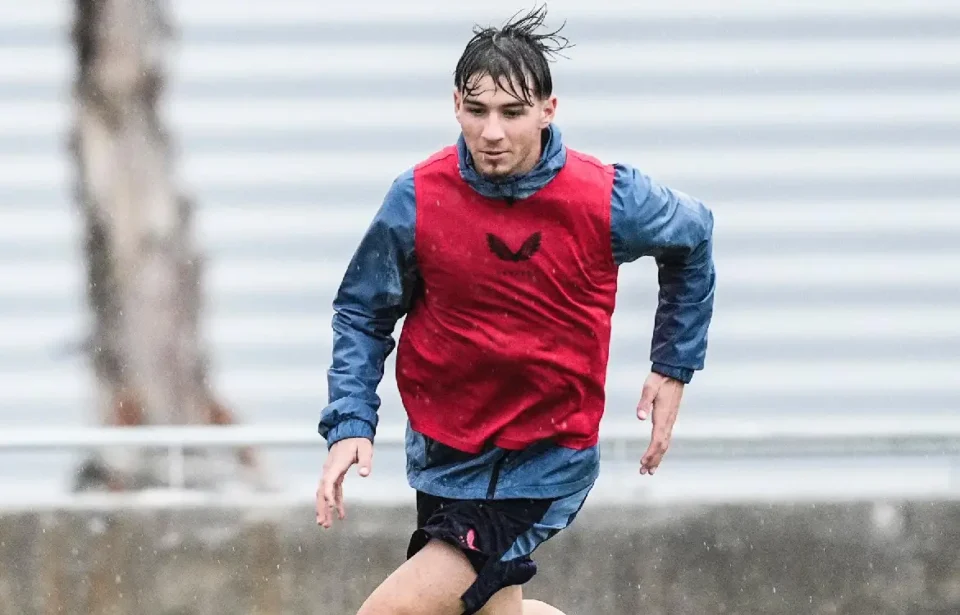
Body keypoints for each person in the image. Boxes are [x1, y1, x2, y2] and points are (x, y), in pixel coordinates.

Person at [315, 5, 716, 614]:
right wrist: (350, 423)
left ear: (548, 109)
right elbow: (362, 312)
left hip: (541, 462)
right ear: (456, 106)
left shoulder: (607, 197)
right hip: (443, 452)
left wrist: (672, 365)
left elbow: (695, 235)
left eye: (512, 112)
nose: (492, 132)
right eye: (477, 112)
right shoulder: (418, 198)